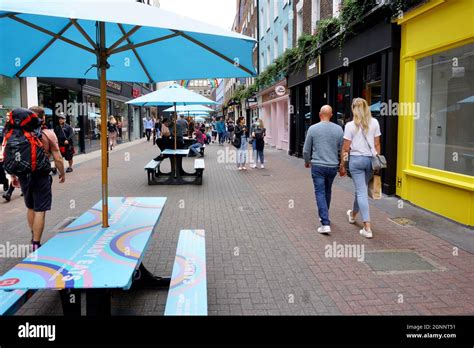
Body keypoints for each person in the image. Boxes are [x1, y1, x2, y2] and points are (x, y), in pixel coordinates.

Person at [16, 107, 65, 249]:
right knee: (40, 209)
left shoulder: (19, 133)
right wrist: (62, 173)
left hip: (24, 175)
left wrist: (14, 175)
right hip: (41, 175)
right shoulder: (48, 134)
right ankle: (36, 243)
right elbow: (58, 158)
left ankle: (33, 237)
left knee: (30, 207)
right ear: (42, 118)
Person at [339, 98, 382, 239]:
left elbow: (346, 148)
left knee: (361, 191)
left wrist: (342, 164)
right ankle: (352, 215)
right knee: (361, 189)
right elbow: (377, 145)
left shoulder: (350, 125)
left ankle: (367, 227)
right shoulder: (374, 122)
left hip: (356, 161)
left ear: (353, 109)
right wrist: (377, 162)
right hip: (370, 160)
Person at [303, 105, 343, 234]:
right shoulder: (338, 129)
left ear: (320, 114)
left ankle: (325, 222)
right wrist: (342, 164)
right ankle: (325, 215)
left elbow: (306, 149)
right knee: (327, 191)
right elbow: (342, 149)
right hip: (332, 166)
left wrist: (307, 161)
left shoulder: (313, 129)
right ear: (331, 115)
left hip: (318, 166)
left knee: (320, 192)